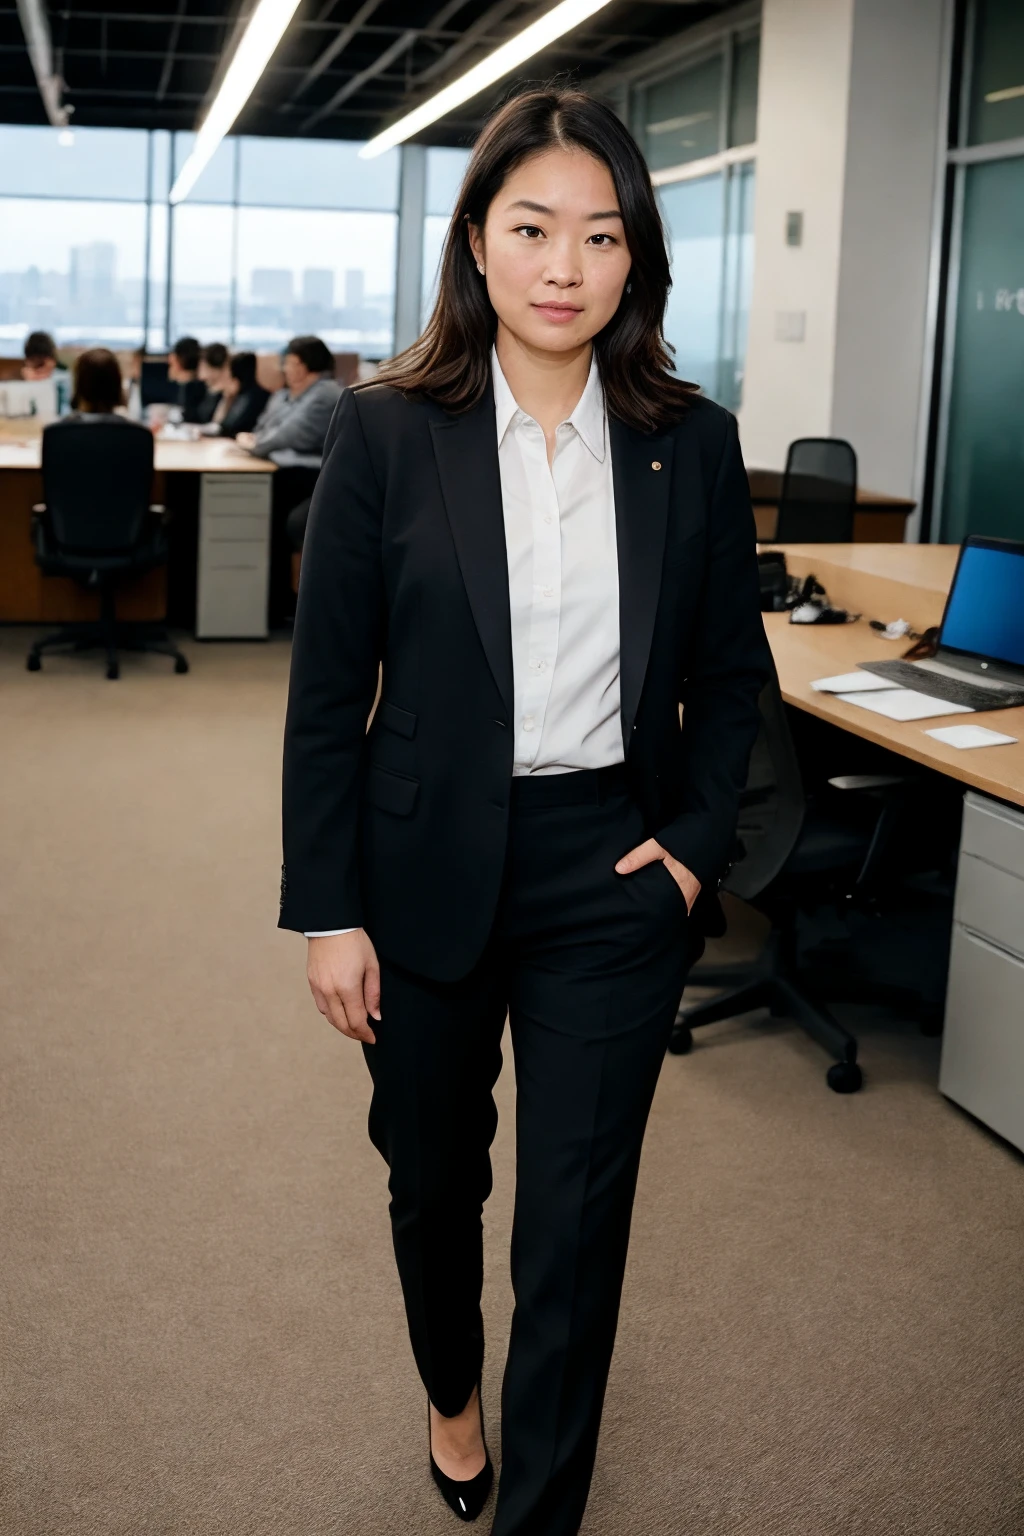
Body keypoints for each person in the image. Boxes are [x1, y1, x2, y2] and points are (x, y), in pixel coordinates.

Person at [279, 87, 772, 1536]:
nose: (566, 265)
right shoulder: (385, 434)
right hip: (421, 855)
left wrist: (688, 854)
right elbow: (324, 697)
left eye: (600, 235)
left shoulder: (691, 440)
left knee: (575, 1226)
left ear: (637, 260)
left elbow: (733, 682)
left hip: (607, 869)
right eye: (534, 228)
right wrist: (328, 908)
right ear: (478, 246)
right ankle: (451, 1394)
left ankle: (542, 1512)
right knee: (434, 1185)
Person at [237, 335, 341, 624]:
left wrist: (256, 445)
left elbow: (286, 435)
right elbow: (263, 428)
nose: (286, 368)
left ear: (308, 366)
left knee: (275, 515)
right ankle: (274, 598)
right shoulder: (289, 393)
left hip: (314, 478)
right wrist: (259, 441)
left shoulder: (325, 393)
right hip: (288, 471)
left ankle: (282, 600)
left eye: (292, 363)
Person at [203, 351, 269, 439]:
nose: (227, 374)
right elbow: (217, 423)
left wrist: (228, 400)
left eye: (229, 370)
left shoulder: (255, 396)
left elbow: (228, 427)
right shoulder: (241, 393)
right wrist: (227, 398)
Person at [22, 331, 71, 413]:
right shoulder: (25, 373)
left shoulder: (63, 374)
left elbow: (65, 403)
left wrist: (36, 379)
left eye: (41, 363)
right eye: (32, 360)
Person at [167, 335, 206, 423]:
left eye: (171, 364)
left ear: (179, 362)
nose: (169, 370)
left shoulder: (193, 391)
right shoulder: (183, 388)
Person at [195, 342, 232, 424]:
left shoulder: (230, 391)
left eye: (204, 367)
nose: (201, 376)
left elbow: (216, 422)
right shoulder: (210, 389)